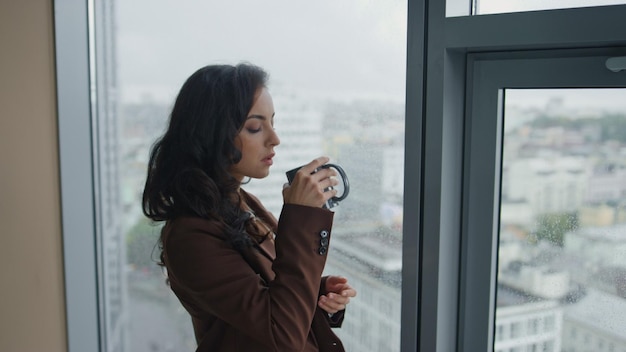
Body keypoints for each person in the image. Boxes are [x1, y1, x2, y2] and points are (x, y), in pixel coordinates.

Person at [142, 63, 356, 352]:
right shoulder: (190, 236)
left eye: (272, 122)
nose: (274, 139)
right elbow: (282, 334)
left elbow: (266, 292)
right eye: (255, 127)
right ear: (211, 133)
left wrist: (318, 292)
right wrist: (302, 216)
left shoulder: (237, 200)